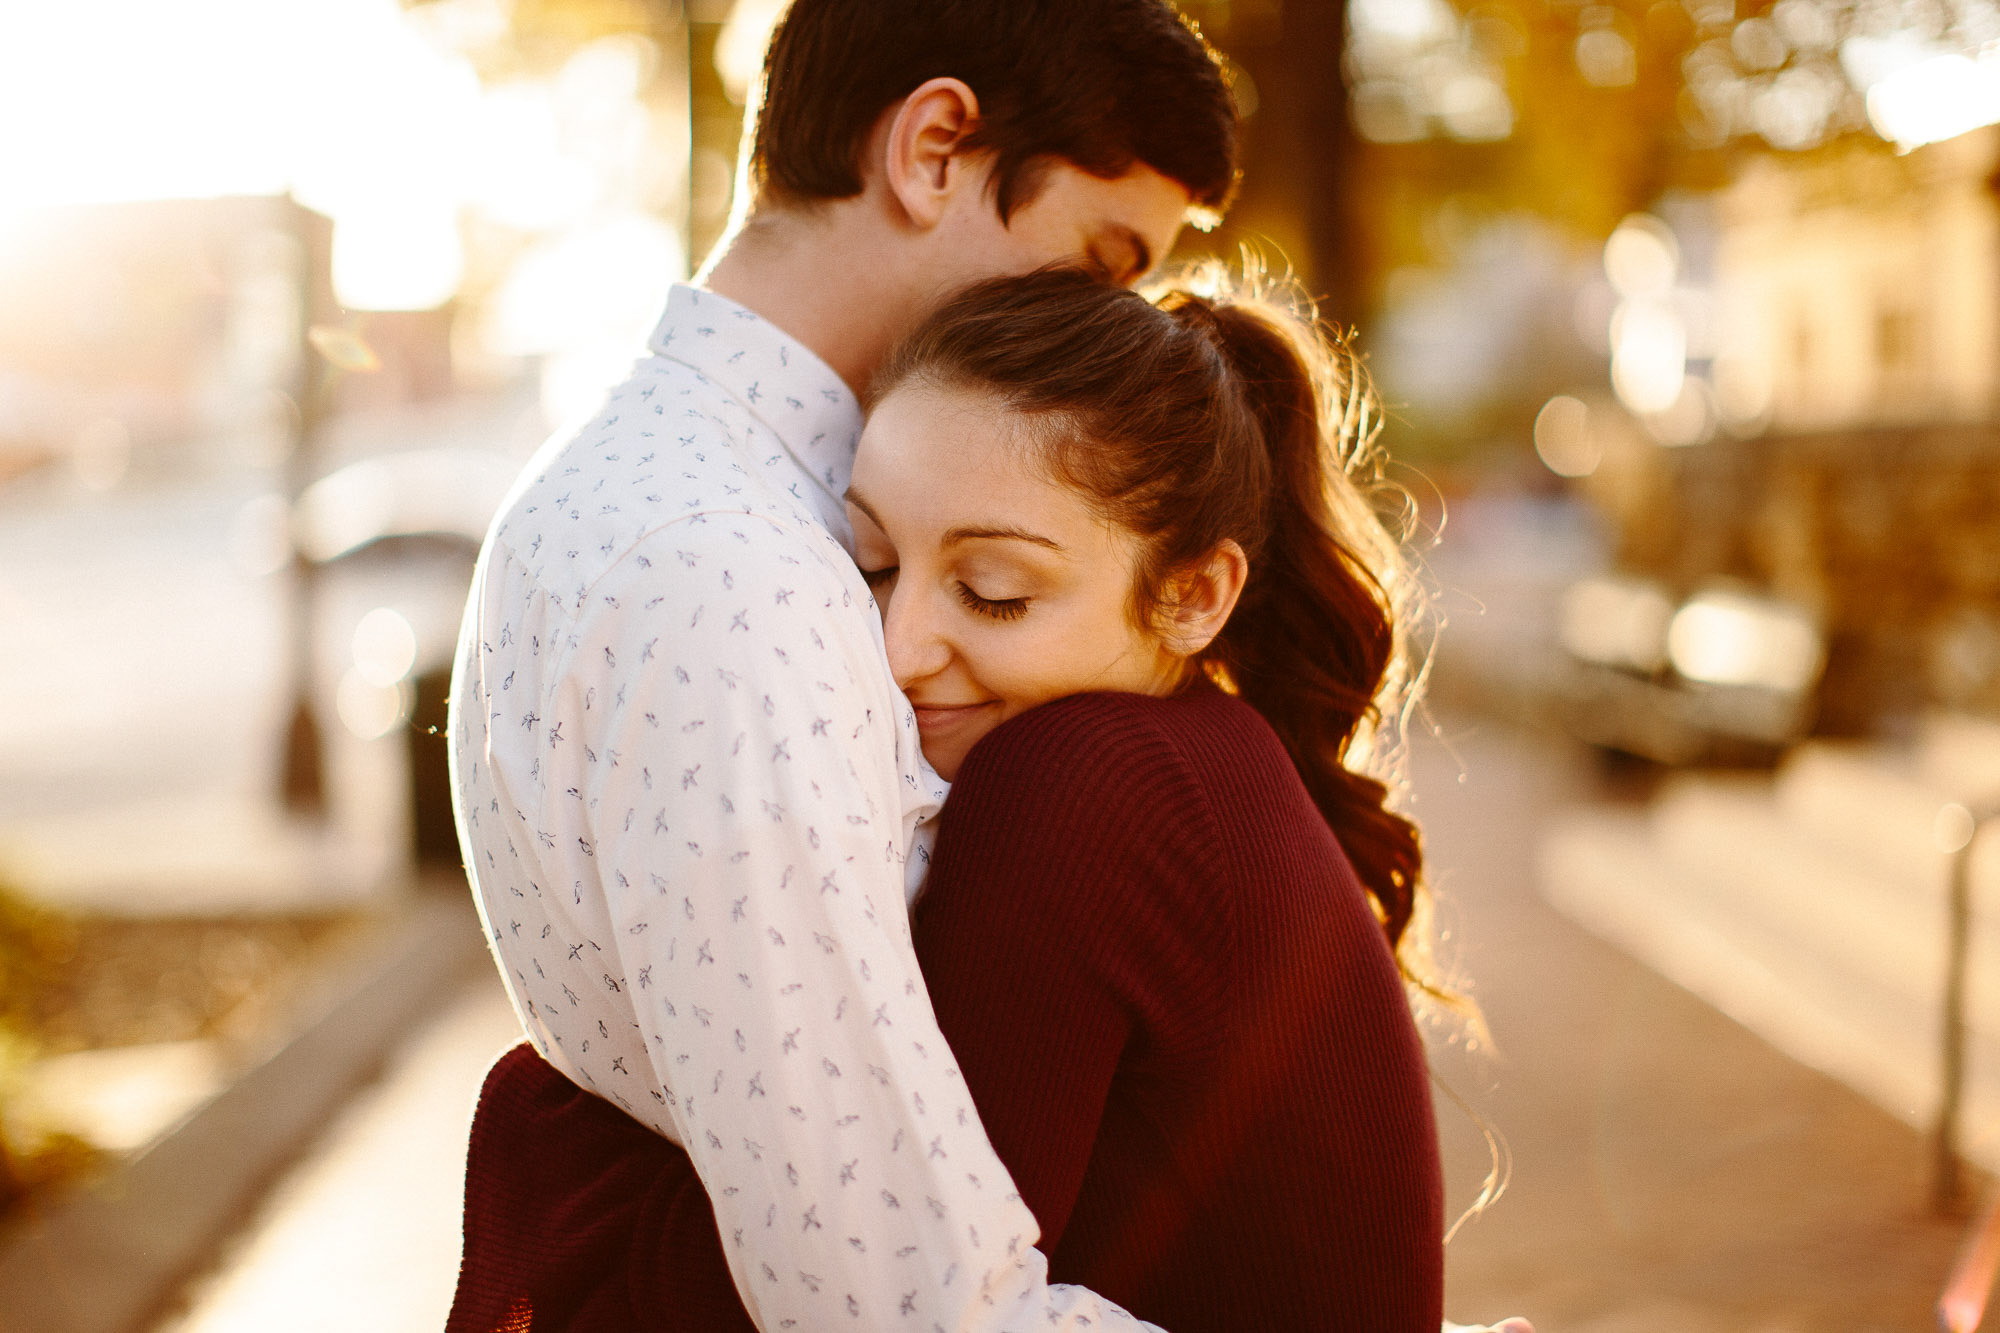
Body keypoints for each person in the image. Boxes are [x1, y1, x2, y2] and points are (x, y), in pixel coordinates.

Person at [448, 1, 1534, 1329]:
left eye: (993, 586)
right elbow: (895, 1304)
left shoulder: (653, 507)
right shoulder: (733, 572)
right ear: (936, 148)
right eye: (1097, 262)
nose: (1101, 331)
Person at [851, 264, 1445, 1329]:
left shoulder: (1086, 776)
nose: (897, 650)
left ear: (1190, 595)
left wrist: (554, 1124)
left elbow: (899, 1293)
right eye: (874, 562)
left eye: (994, 593)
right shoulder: (1205, 756)